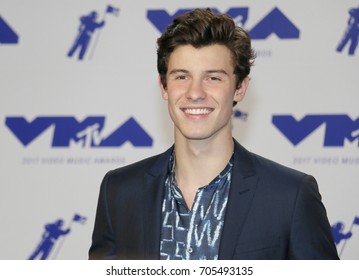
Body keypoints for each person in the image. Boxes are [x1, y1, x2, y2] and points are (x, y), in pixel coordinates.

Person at [89, 8, 339, 260]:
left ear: (240, 88)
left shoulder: (290, 195)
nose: (195, 92)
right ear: (164, 86)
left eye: (213, 78)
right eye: (182, 76)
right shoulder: (119, 191)